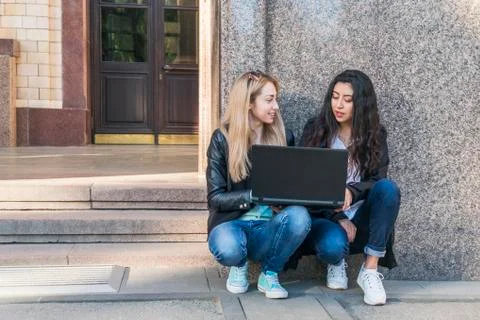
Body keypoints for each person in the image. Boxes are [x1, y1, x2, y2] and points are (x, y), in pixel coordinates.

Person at [206, 71, 311, 299]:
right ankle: (239, 264)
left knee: (300, 217)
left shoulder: (285, 137)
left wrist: (284, 202)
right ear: (249, 104)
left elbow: (293, 188)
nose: (277, 106)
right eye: (269, 99)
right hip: (231, 225)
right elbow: (215, 198)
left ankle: (270, 273)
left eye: (276, 98)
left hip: (269, 229)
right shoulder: (222, 139)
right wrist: (256, 195)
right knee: (228, 247)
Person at [299, 70, 401, 305]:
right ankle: (336, 261)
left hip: (364, 217)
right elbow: (306, 184)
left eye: (347, 99)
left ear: (362, 103)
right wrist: (339, 218)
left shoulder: (375, 134)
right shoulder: (315, 130)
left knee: (388, 189)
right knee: (333, 247)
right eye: (335, 97)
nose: (339, 105)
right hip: (327, 216)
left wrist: (352, 192)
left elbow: (377, 179)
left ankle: (370, 270)